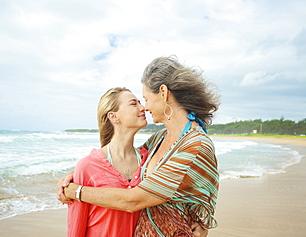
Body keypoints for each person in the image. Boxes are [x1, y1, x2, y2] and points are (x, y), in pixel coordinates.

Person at [59, 55, 220, 236]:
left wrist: (76, 190)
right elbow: (121, 159)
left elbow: (134, 201)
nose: (145, 107)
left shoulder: (195, 144)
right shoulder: (159, 139)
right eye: (137, 102)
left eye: (145, 99)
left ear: (164, 93)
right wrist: (80, 172)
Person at [66, 87, 149, 236]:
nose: (143, 108)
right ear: (113, 116)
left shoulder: (149, 161)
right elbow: (76, 226)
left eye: (140, 102)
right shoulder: (87, 166)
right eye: (133, 104)